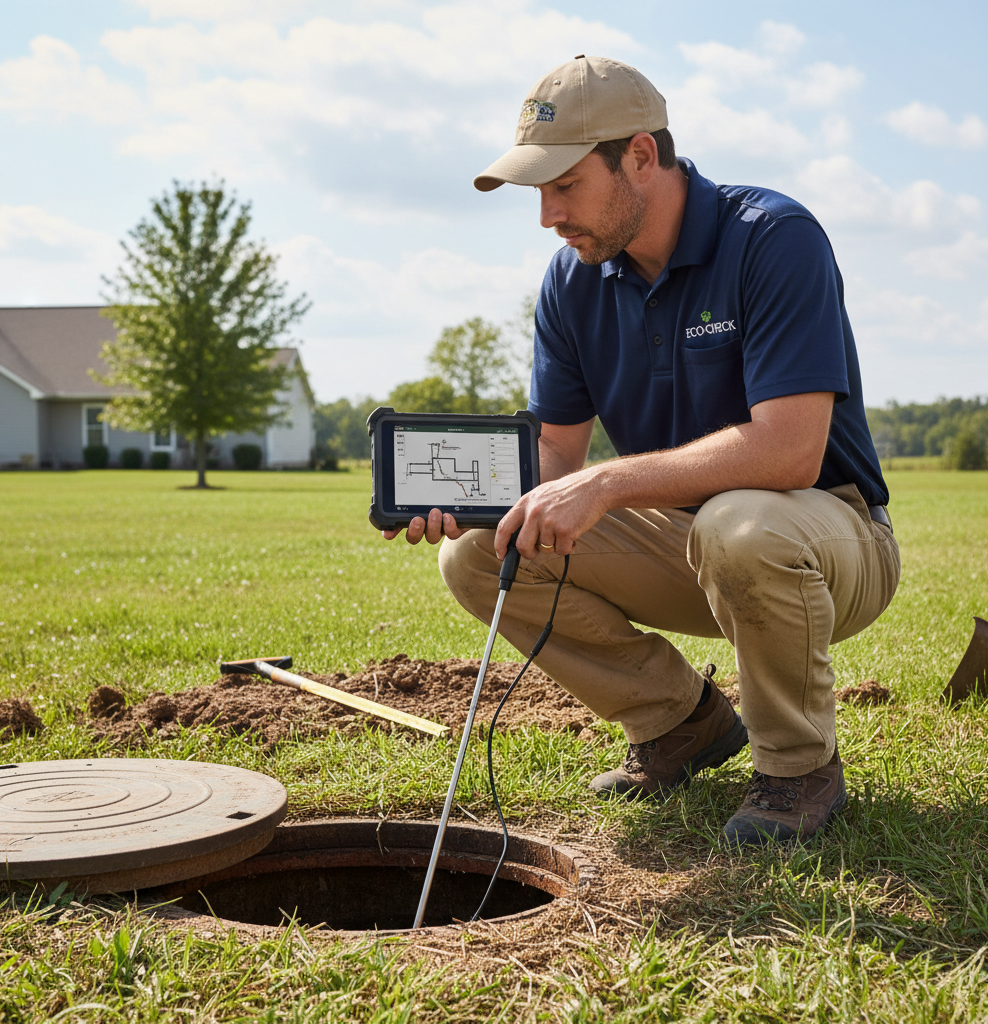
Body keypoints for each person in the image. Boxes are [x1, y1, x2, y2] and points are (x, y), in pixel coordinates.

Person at [384, 55, 900, 849]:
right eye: (538, 193)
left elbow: (792, 452)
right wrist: (478, 501)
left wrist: (607, 484)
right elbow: (557, 456)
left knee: (739, 525)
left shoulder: (773, 239)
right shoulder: (572, 280)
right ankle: (680, 723)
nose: (549, 216)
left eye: (565, 186)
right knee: (483, 554)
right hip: (688, 543)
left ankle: (799, 769)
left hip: (827, 542)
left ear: (640, 157)